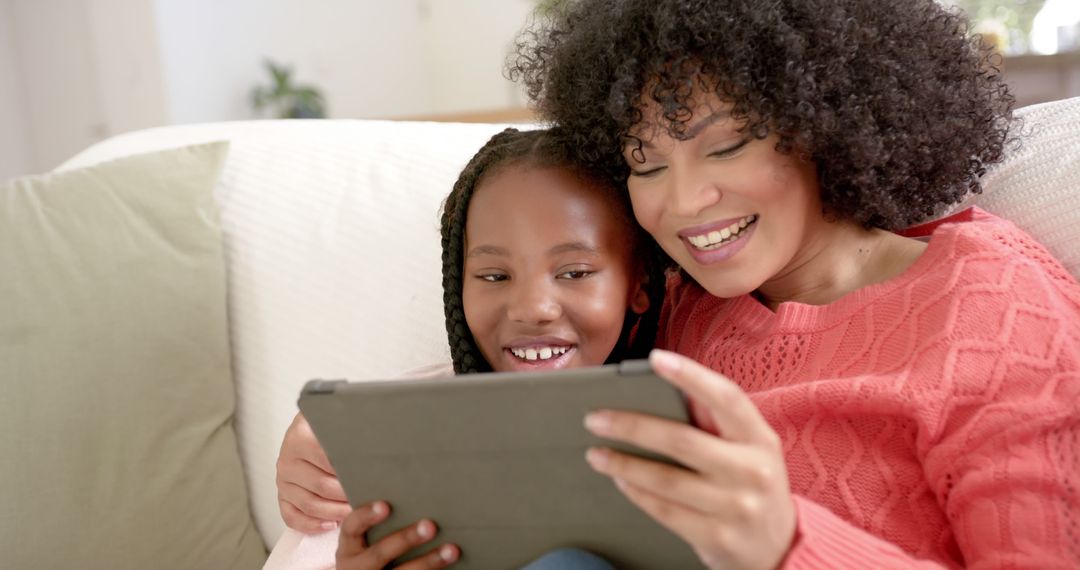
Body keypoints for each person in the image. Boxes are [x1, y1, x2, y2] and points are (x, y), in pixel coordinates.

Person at [502, 0, 1080, 568]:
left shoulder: (992, 307)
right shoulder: (676, 304)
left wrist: (787, 544)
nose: (681, 203)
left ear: (829, 124)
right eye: (645, 163)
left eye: (726, 147)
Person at [265, 126, 666, 570]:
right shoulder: (373, 440)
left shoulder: (686, 424)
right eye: (494, 276)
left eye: (574, 272)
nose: (532, 309)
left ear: (640, 283)